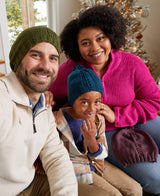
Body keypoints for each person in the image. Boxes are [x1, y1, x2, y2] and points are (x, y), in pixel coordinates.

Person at [48, 5, 160, 195]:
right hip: (106, 132)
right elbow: (53, 100)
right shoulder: (69, 70)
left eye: (100, 38)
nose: (95, 48)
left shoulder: (132, 63)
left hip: (139, 121)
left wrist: (117, 115)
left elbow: (153, 100)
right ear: (76, 46)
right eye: (85, 43)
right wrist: (49, 97)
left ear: (110, 36)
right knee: (156, 180)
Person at [0, 26, 78, 196]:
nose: (45, 66)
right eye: (35, 55)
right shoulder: (2, 98)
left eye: (53, 58)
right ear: (18, 58)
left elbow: (56, 157)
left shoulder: (43, 105)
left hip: (31, 183)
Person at [53, 65, 142, 196]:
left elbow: (102, 153)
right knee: (114, 194)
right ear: (73, 100)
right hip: (75, 167)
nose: (91, 109)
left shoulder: (98, 119)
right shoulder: (57, 121)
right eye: (84, 102)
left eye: (97, 102)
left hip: (98, 163)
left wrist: (91, 140)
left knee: (135, 190)